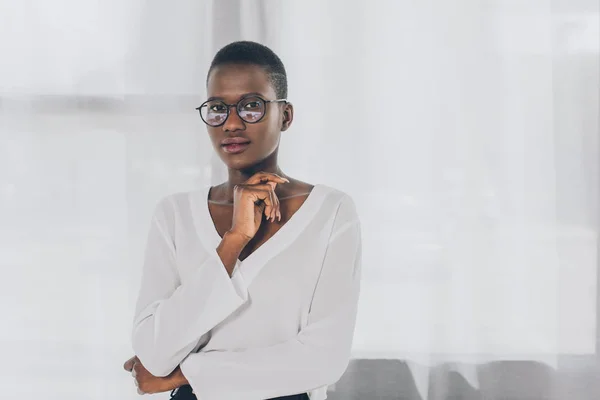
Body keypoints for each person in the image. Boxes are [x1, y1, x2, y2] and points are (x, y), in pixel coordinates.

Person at [122, 41, 362, 400]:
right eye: (218, 108)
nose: (231, 123)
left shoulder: (331, 212)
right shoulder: (174, 215)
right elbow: (154, 354)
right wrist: (233, 240)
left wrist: (185, 374)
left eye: (251, 106)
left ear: (286, 115)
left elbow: (323, 359)